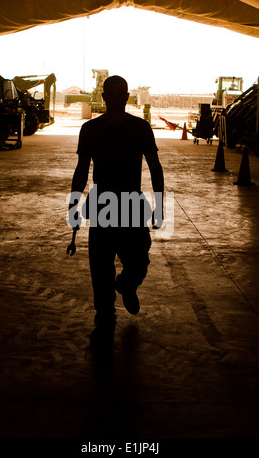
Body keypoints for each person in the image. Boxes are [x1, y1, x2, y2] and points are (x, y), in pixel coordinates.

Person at [68, 75, 164, 348]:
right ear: (105, 96)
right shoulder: (91, 129)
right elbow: (81, 170)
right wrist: (74, 205)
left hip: (131, 203)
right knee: (100, 267)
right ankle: (105, 319)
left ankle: (127, 284)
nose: (114, 99)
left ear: (125, 97)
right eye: (111, 94)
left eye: (119, 94)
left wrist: (159, 205)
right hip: (102, 204)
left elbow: (155, 167)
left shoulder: (140, 128)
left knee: (139, 262)